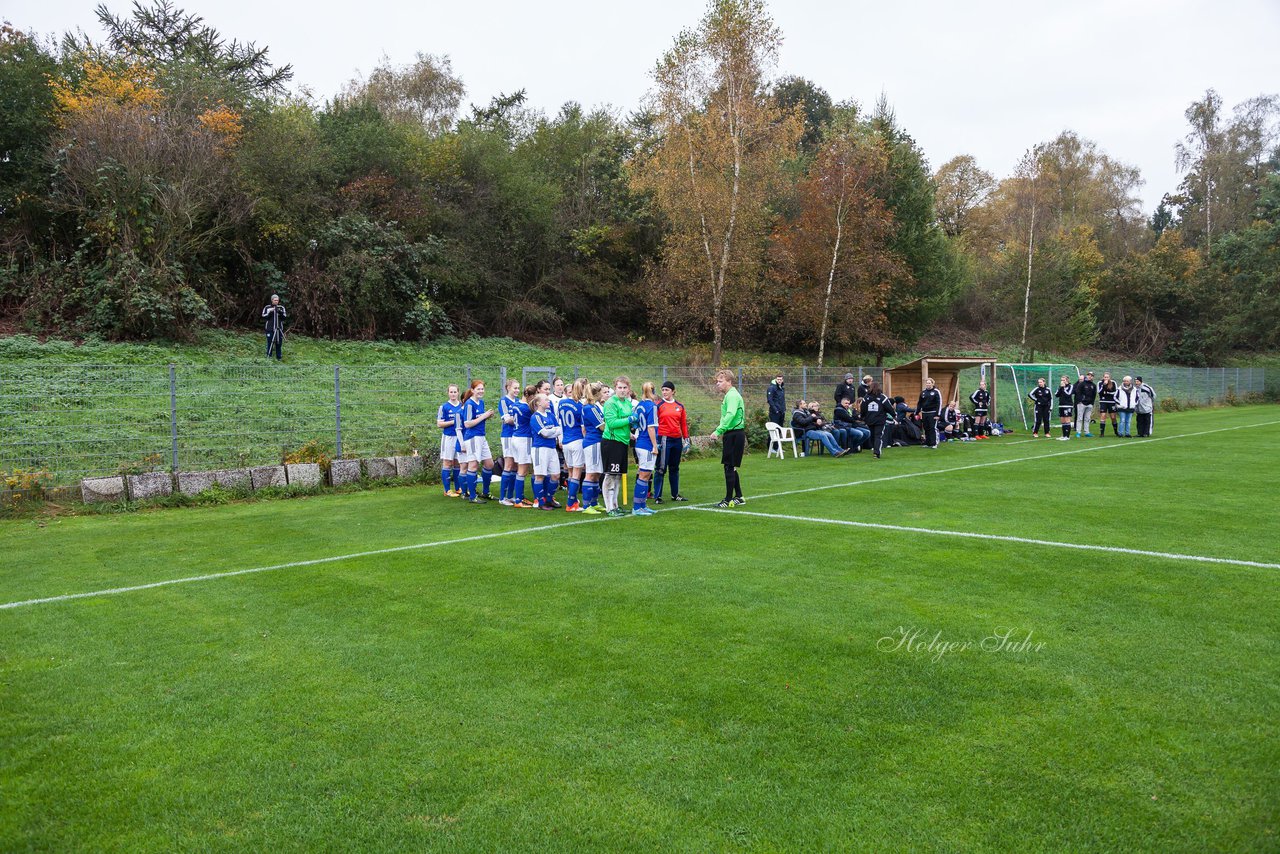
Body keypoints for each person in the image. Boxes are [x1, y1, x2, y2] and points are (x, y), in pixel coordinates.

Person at [601, 376, 635, 518]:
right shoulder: (610, 403)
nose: (622, 390)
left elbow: (628, 422)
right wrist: (629, 419)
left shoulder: (627, 403)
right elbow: (612, 422)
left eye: (624, 388)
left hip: (623, 442)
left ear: (629, 389)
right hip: (611, 442)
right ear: (615, 388)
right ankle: (609, 508)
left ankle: (615, 505)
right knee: (610, 474)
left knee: (618, 475)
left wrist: (633, 426)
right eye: (619, 387)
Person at [712, 369, 746, 507]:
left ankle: (727, 499)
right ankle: (739, 496)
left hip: (734, 434)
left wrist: (718, 430)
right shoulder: (730, 395)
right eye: (717, 381)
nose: (718, 384)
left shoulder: (732, 396)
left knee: (729, 466)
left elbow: (731, 414)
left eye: (720, 381)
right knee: (731, 466)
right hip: (733, 433)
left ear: (729, 382)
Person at [458, 380, 496, 503]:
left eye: (482, 389)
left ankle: (485, 492)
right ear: (472, 390)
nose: (481, 391)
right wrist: (484, 416)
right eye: (478, 389)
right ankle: (472, 496)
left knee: (489, 464)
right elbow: (467, 423)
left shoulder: (481, 402)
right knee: (473, 465)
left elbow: (478, 419)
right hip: (473, 437)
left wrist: (486, 417)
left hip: (481, 436)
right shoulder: (469, 404)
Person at [654, 381, 690, 503]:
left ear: (673, 391)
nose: (664, 392)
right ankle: (657, 496)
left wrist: (686, 439)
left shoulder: (680, 406)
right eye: (663, 390)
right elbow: (654, 424)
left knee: (675, 467)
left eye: (667, 390)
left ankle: (675, 495)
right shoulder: (659, 406)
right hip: (664, 439)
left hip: (677, 440)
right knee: (661, 468)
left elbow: (683, 424)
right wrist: (656, 440)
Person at [530, 394, 562, 510]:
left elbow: (559, 429)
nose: (548, 401)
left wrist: (551, 431)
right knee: (540, 476)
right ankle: (541, 502)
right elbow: (544, 433)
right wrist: (552, 431)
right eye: (546, 400)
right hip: (540, 449)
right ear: (538, 403)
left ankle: (549, 498)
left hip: (552, 448)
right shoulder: (535, 417)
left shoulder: (550, 415)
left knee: (556, 475)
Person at [559, 379, 586, 511]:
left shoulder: (562, 403)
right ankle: (571, 503)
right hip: (577, 440)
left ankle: (573, 499)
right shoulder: (581, 406)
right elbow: (583, 428)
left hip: (566, 441)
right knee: (576, 472)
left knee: (570, 472)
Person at [580, 382, 607, 514]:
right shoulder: (590, 408)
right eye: (602, 391)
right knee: (591, 473)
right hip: (593, 443)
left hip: (596, 442)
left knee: (596, 473)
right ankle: (586, 506)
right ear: (597, 393)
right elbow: (602, 427)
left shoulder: (593, 407)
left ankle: (594, 503)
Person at [509, 385, 536, 506]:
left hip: (515, 437)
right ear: (529, 396)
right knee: (522, 470)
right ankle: (518, 500)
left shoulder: (515, 404)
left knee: (520, 468)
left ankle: (519, 497)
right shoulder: (527, 409)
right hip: (524, 439)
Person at [497, 379, 521, 505]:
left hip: (517, 436)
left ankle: (510, 495)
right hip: (507, 436)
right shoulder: (503, 401)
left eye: (518, 388)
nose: (517, 390)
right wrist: (520, 420)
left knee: (516, 466)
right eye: (514, 388)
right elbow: (507, 419)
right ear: (508, 388)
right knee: (509, 464)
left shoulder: (518, 401)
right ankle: (502, 498)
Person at [436, 384, 463, 497]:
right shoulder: (444, 407)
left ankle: (458, 488)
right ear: (448, 393)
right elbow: (439, 424)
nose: (453, 394)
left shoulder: (462, 406)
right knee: (447, 462)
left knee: (458, 463)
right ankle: (447, 490)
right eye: (451, 392)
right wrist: (454, 422)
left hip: (460, 436)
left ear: (458, 393)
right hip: (449, 437)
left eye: (455, 392)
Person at [859, 382, 893, 459]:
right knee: (878, 436)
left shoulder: (866, 397)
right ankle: (876, 452)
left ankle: (875, 449)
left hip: (870, 419)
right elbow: (889, 407)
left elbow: (863, 408)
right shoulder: (882, 397)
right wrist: (894, 415)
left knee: (873, 436)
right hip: (880, 420)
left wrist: (863, 417)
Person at [916, 377, 942, 449]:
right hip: (924, 413)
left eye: (929, 383)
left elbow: (939, 403)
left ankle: (934, 443)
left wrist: (938, 414)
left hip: (933, 413)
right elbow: (920, 403)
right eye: (927, 383)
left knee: (933, 428)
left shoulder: (936, 392)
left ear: (932, 383)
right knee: (926, 428)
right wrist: (917, 412)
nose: (928, 384)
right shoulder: (923, 392)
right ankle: (928, 443)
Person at [262, 294, 286, 361]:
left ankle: (279, 357)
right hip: (270, 328)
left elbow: (284, 317)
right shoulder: (267, 307)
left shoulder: (281, 307)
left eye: (277, 300)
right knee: (270, 342)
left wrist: (280, 312)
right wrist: (270, 312)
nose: (276, 301)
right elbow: (264, 316)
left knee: (279, 343)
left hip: (279, 329)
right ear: (272, 300)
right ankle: (269, 356)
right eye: (275, 300)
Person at [1074, 371, 1097, 438]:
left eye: (1091, 375)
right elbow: (1078, 392)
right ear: (1086, 376)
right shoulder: (1082, 384)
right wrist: (1080, 401)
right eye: (1089, 375)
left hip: (1089, 404)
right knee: (1080, 418)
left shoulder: (1093, 385)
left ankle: (1087, 432)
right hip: (1082, 404)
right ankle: (1078, 432)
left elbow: (1094, 395)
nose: (1090, 376)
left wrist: (1092, 403)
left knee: (1087, 418)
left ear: (1093, 377)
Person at [1096, 372, 1119, 436]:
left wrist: (1107, 392)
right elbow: (1100, 392)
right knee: (1103, 416)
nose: (1106, 378)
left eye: (1107, 377)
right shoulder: (1100, 383)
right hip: (1103, 401)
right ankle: (1102, 433)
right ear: (1103, 377)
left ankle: (1116, 431)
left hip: (1111, 402)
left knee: (1113, 417)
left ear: (1109, 377)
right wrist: (1104, 385)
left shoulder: (1113, 382)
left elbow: (1115, 392)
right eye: (1105, 377)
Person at [1054, 375, 1075, 440]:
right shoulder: (1060, 387)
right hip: (1061, 405)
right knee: (1062, 420)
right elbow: (1056, 395)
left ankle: (1067, 436)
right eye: (1061, 380)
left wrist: (1063, 388)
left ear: (1067, 380)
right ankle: (1063, 435)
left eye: (1064, 380)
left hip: (1068, 405)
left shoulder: (1070, 386)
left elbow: (1068, 394)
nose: (1062, 381)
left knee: (1067, 420)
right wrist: (1061, 388)